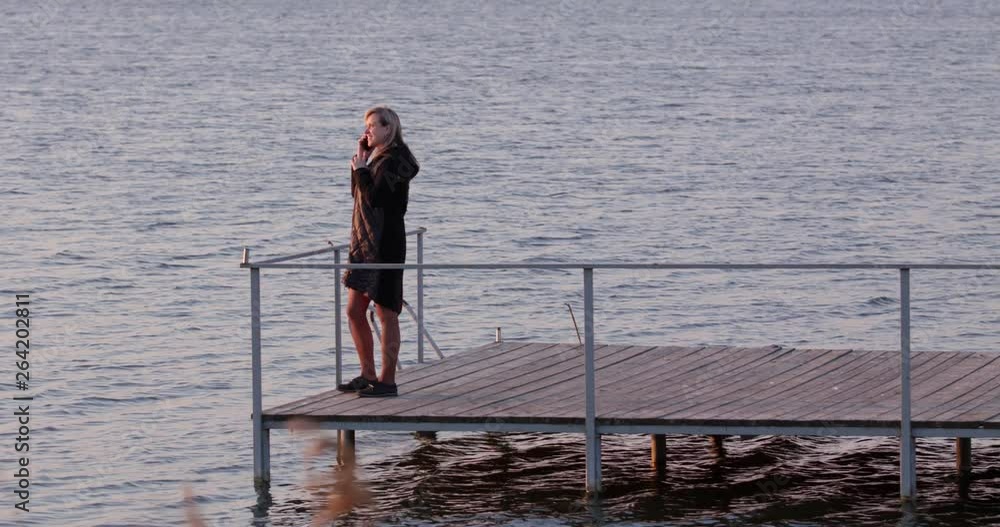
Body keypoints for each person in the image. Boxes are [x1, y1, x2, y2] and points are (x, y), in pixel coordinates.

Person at [338, 106, 420, 397]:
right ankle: (367, 372)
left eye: (373, 125)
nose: (368, 130)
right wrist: (360, 161)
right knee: (353, 310)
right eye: (367, 126)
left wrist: (362, 168)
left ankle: (387, 381)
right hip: (363, 243)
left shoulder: (398, 160)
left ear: (389, 129)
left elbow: (376, 198)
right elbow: (358, 194)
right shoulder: (376, 158)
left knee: (385, 312)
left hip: (385, 244)